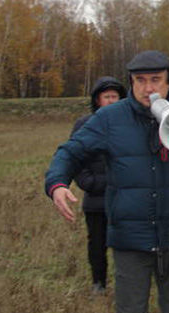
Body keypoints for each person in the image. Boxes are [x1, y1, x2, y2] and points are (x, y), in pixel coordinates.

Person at [45, 50, 169, 313]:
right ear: (131, 83)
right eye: (140, 81)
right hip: (130, 239)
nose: (148, 88)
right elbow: (71, 151)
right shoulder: (110, 118)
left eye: (156, 80)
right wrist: (57, 183)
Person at [70, 76, 126, 294]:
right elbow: (75, 159)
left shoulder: (127, 125)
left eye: (115, 96)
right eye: (107, 97)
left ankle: (126, 283)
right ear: (97, 100)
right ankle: (99, 283)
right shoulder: (84, 125)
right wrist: (89, 182)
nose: (111, 101)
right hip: (96, 199)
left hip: (123, 198)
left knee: (125, 244)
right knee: (97, 244)